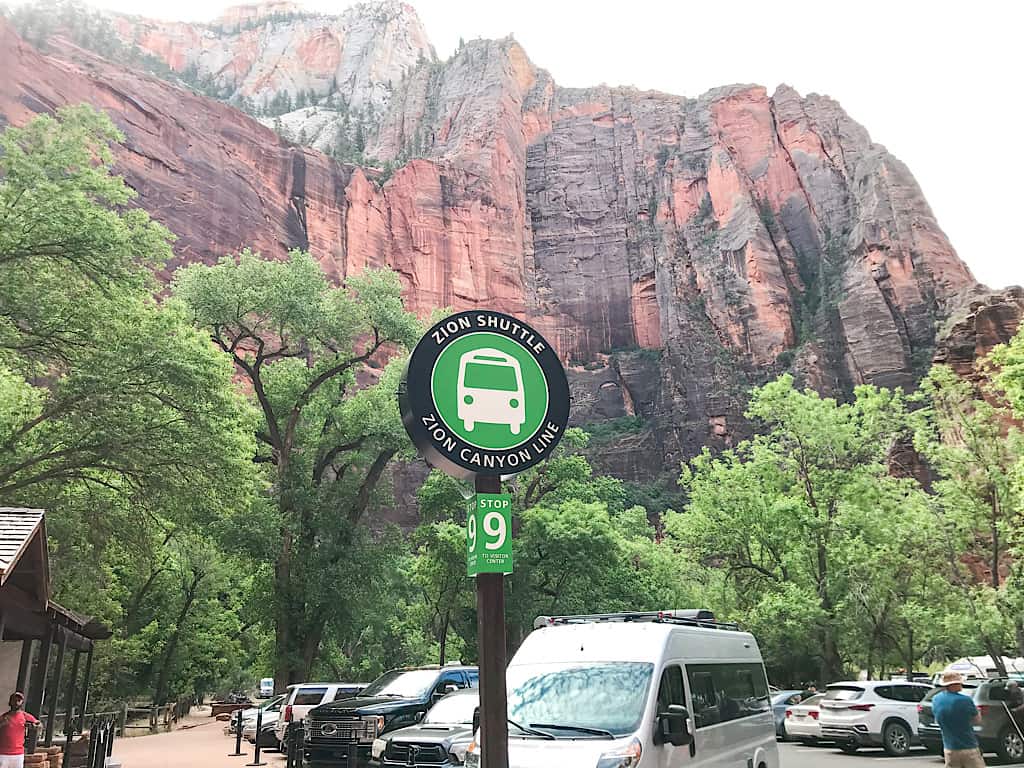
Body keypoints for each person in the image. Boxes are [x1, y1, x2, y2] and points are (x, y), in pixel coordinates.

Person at [932, 671, 984, 768]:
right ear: (953, 685)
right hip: (968, 746)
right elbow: (977, 720)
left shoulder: (936, 699)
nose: (962, 684)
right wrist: (978, 711)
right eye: (959, 682)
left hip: (949, 748)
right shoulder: (965, 700)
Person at [0, 692, 38, 768]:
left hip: (18, 754)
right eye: (14, 700)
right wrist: (2, 724)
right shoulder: (3, 717)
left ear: (22, 702)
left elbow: (38, 724)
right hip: (3, 754)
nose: (16, 702)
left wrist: (33, 726)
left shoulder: (25, 716)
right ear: (10, 702)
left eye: (19, 700)